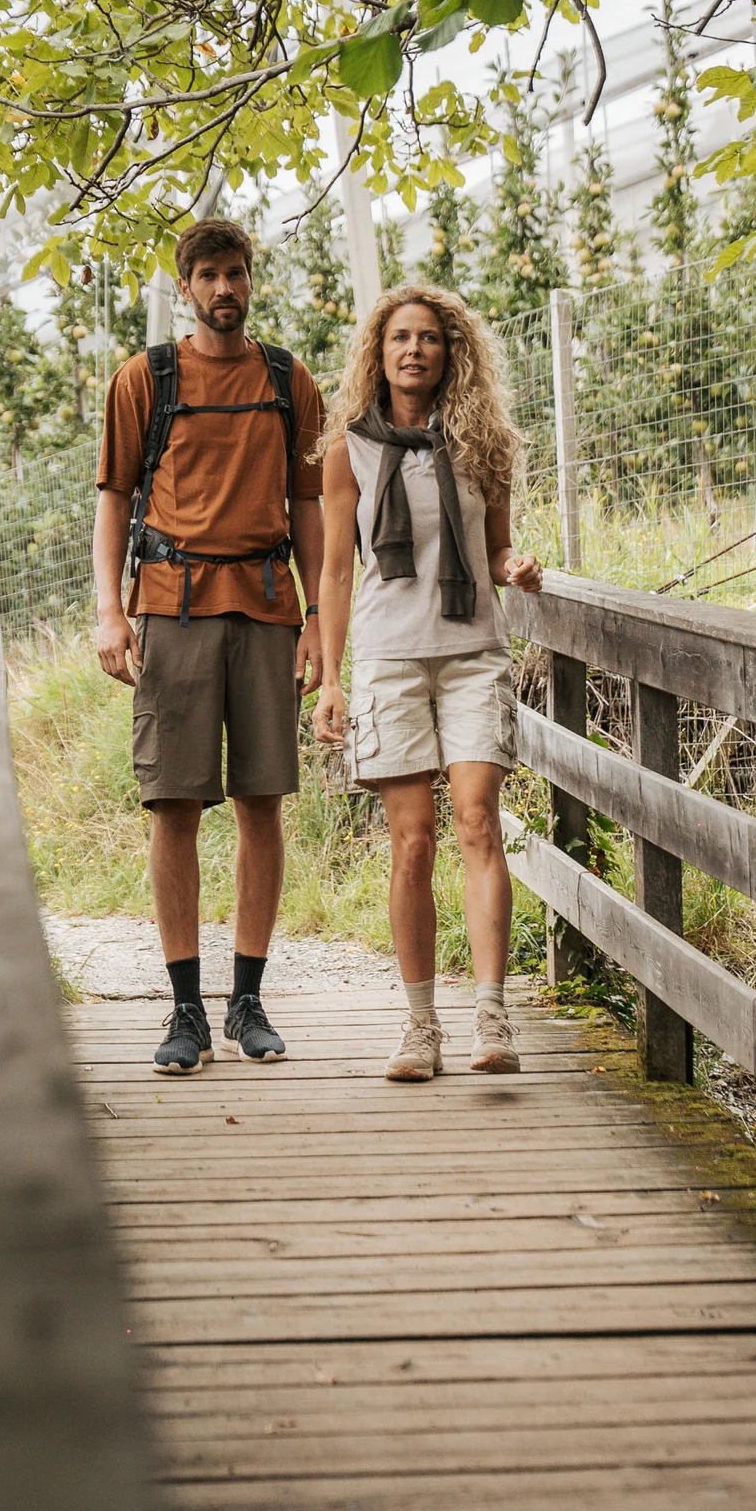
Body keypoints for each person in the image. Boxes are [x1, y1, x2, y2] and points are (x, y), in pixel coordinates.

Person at [93, 220, 325, 1076]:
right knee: (175, 807)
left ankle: (247, 1000)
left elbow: (311, 507)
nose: (225, 289)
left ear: (249, 282)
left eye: (236, 275)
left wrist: (321, 625)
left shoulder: (287, 379)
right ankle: (185, 1008)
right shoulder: (143, 380)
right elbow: (114, 499)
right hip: (169, 607)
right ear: (184, 286)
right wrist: (108, 612)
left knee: (263, 802)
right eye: (209, 277)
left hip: (267, 608)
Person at [312, 284, 542, 1083]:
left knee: (478, 820)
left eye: (431, 338)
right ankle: (419, 1026)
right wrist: (331, 679)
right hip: (388, 658)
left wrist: (517, 566)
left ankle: (491, 1013)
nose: (415, 350)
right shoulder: (348, 448)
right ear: (378, 352)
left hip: (473, 649)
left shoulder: (486, 441)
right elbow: (337, 570)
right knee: (411, 842)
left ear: (453, 353)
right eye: (400, 337)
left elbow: (502, 548)